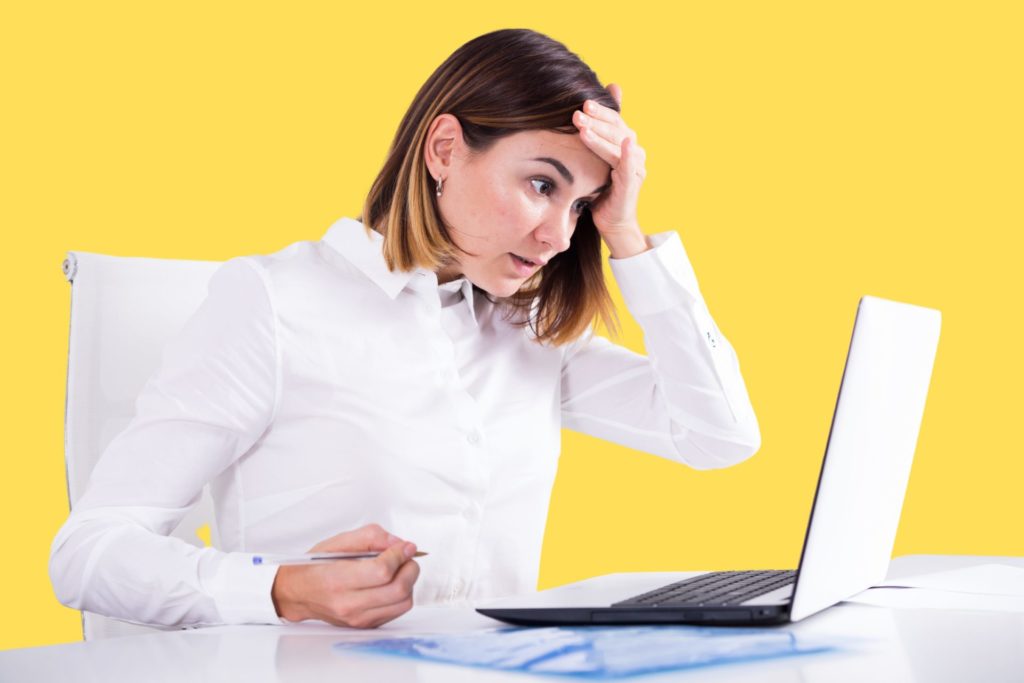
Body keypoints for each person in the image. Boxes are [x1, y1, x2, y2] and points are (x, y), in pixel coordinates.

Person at [49, 28, 761, 631]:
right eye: (542, 185)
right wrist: (277, 588)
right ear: (444, 150)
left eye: (581, 206)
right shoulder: (275, 303)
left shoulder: (531, 330)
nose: (556, 234)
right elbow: (88, 551)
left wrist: (629, 234)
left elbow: (718, 434)